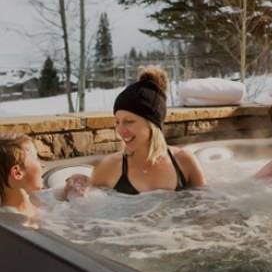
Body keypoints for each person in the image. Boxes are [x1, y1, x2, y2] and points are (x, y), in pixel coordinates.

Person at [64, 66, 206, 198]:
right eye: (117, 122)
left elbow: (206, 210)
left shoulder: (184, 161)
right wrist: (78, 182)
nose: (120, 130)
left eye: (129, 121)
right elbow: (81, 208)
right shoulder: (110, 166)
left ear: (152, 124)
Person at [0, 133, 43, 216]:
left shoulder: (35, 201)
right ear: (17, 173)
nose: (42, 165)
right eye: (36, 158)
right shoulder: (11, 222)